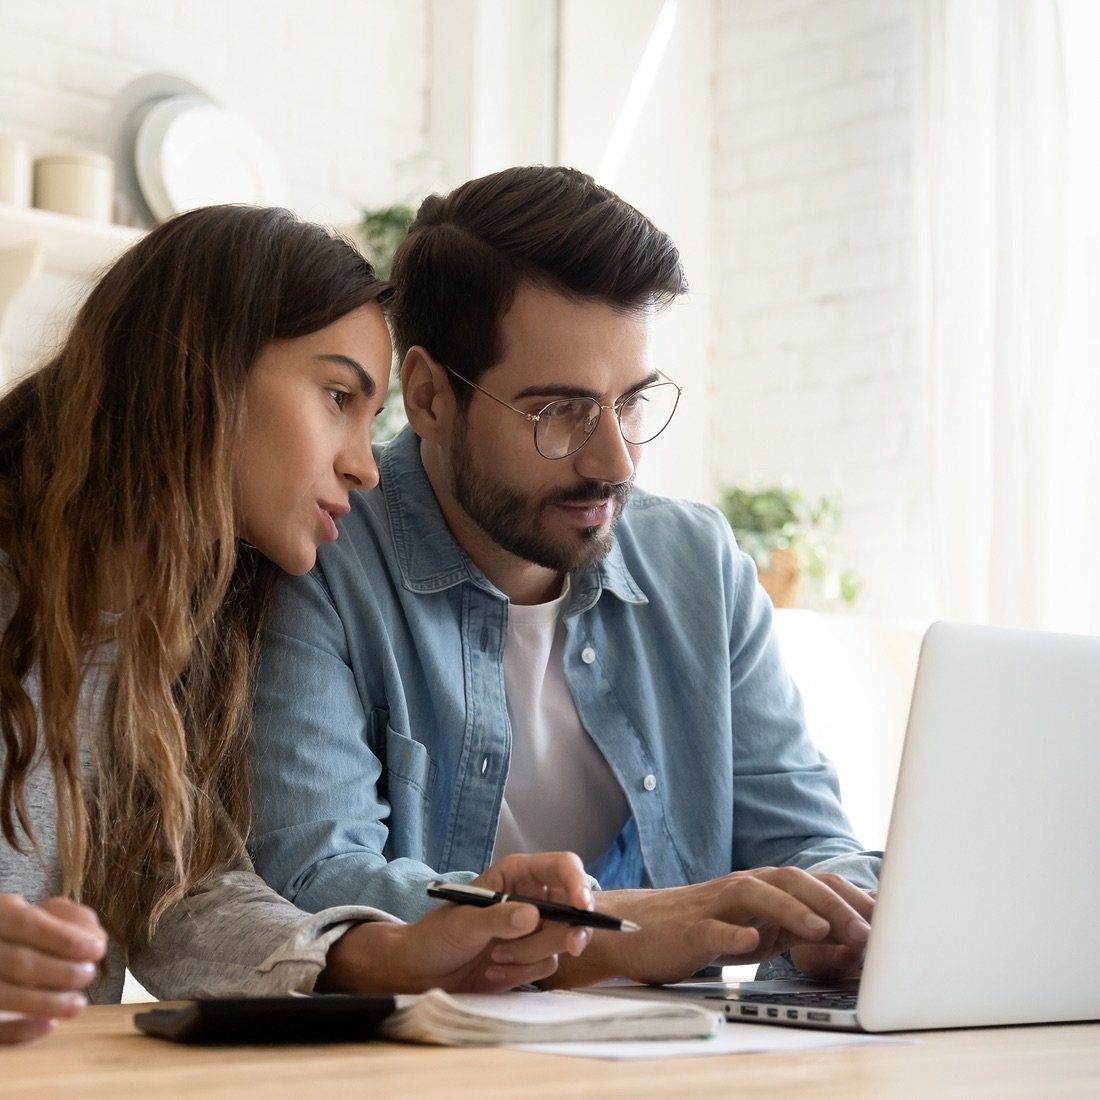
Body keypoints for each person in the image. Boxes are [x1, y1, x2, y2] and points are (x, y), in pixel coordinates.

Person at [248, 167, 880, 989]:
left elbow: (806, 838)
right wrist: (614, 932)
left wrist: (840, 918)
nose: (614, 461)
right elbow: (314, 880)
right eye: (561, 412)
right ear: (432, 397)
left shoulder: (699, 566)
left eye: (633, 403)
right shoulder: (316, 558)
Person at [0, 204, 594, 1046]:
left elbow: (183, 892)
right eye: (337, 396)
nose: (362, 463)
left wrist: (389, 953)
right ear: (200, 365)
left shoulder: (180, 633)